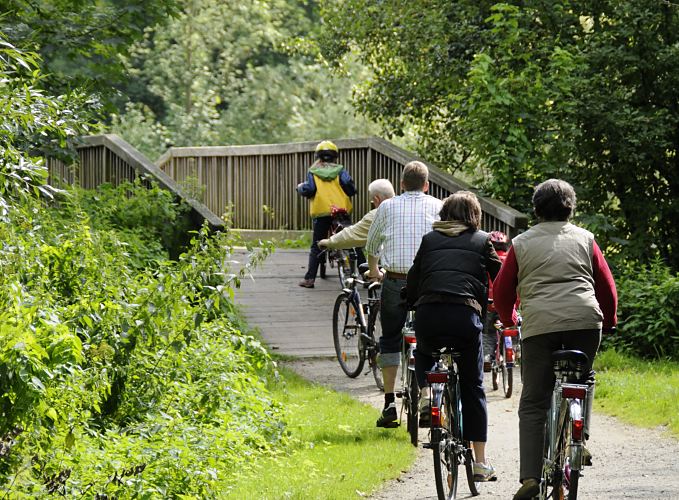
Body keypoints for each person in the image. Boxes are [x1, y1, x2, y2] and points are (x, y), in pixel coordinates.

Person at [492, 179, 618, 500]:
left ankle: (530, 478)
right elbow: (606, 288)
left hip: (540, 327)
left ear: (536, 209)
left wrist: (508, 319)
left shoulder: (521, 243)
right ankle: (580, 438)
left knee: (534, 399)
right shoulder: (586, 239)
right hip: (585, 322)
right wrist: (610, 320)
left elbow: (502, 291)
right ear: (570, 207)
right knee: (583, 377)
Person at [406, 191, 502, 482]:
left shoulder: (429, 240)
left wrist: (410, 301)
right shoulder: (482, 240)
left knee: (423, 350)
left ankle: (425, 393)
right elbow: (500, 275)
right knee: (473, 386)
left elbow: (414, 277)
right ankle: (481, 463)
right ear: (474, 216)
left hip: (428, 315)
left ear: (444, 214)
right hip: (464, 318)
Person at [364, 160, 442, 428]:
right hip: (428, 284)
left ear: (400, 185)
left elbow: (372, 245)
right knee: (429, 340)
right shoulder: (438, 206)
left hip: (395, 281)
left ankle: (389, 404)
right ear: (427, 184)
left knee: (389, 339)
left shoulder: (387, 206)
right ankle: (426, 395)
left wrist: (375, 270)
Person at [297, 140, 356, 288]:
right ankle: (366, 272)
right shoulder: (340, 170)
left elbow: (309, 190)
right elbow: (349, 187)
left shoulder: (313, 171)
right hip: (341, 210)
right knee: (353, 239)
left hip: (322, 211)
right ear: (335, 156)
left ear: (318, 156)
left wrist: (300, 188)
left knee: (317, 245)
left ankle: (309, 279)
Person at [317, 179, 395, 250]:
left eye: (372, 201)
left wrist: (329, 242)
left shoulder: (378, 214)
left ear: (376, 199)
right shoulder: (405, 206)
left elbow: (352, 235)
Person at [482, 231, 511, 372]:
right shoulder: (510, 259)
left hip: (489, 302)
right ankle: (512, 350)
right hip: (508, 302)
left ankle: (487, 356)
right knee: (508, 326)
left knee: (488, 331)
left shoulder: (486, 259)